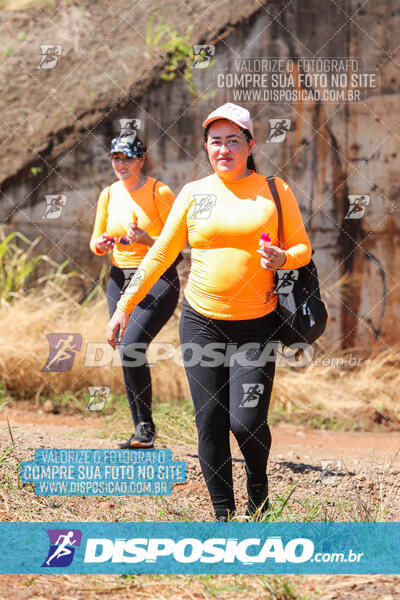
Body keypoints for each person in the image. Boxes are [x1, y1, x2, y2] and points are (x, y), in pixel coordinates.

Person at [106, 103, 312, 520]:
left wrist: (281, 258)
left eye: (233, 140)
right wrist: (124, 306)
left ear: (250, 145)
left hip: (257, 324)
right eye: (215, 141)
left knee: (246, 420)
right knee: (211, 423)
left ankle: (259, 491)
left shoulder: (275, 189)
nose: (223, 149)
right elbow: (162, 252)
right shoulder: (194, 193)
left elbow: (303, 247)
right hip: (201, 323)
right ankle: (223, 518)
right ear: (206, 146)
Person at [90, 135, 180, 448]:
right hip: (120, 278)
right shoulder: (108, 194)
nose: (121, 165)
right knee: (125, 349)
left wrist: (146, 239)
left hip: (157, 278)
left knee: (131, 346)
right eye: (116, 158)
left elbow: (176, 248)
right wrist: (100, 244)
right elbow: (95, 240)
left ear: (141, 159)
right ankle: (142, 430)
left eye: (128, 158)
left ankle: (146, 429)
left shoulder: (160, 192)